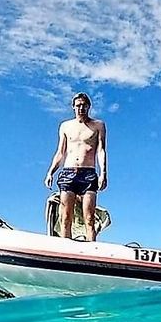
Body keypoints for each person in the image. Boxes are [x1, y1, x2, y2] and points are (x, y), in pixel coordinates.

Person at [44, 93, 108, 241]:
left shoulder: (98, 125)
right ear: (73, 107)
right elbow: (60, 152)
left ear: (88, 107)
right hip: (68, 173)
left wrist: (103, 173)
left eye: (84, 105)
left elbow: (101, 150)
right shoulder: (65, 126)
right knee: (66, 216)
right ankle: (65, 250)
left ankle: (92, 251)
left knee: (89, 217)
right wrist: (50, 173)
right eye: (78, 105)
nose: (81, 108)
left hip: (88, 174)